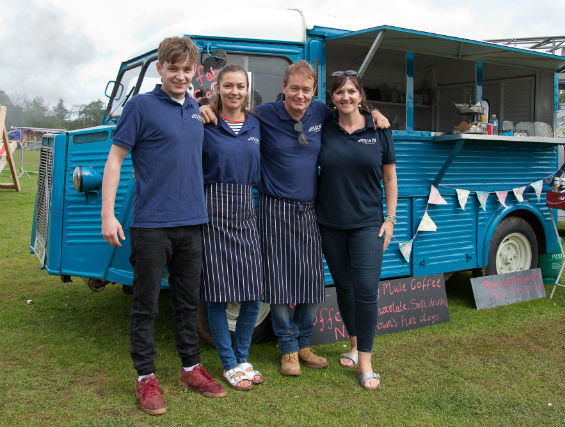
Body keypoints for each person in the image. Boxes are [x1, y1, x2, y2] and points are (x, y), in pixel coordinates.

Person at [200, 60, 389, 377]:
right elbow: (231, 112)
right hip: (274, 208)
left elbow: (351, 111)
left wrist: (374, 115)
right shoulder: (263, 115)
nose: (300, 95)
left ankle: (303, 343)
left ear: (314, 92)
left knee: (312, 286)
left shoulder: (321, 113)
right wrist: (206, 105)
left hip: (310, 209)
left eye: (306, 89)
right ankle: (288, 349)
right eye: (294, 88)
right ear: (283, 88)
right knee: (278, 286)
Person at [101, 36, 226, 416]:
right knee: (146, 305)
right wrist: (108, 214)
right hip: (151, 224)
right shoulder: (140, 107)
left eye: (187, 70)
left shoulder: (194, 107)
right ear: (160, 68)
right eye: (173, 68)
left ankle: (190, 368)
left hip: (192, 224)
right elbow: (115, 160)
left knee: (187, 303)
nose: (180, 75)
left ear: (194, 72)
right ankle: (145, 378)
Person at [315, 70, 397, 390]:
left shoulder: (379, 129)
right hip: (330, 223)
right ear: (332, 98)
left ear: (360, 95)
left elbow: (390, 179)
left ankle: (365, 362)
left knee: (365, 289)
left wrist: (390, 219)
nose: (345, 97)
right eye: (339, 92)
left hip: (367, 223)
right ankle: (352, 343)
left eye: (351, 91)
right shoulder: (324, 128)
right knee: (345, 288)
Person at [201, 64, 263, 391]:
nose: (234, 92)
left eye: (240, 86)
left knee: (253, 294)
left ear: (247, 90)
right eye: (228, 86)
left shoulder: (256, 122)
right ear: (218, 88)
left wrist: (372, 111)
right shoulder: (205, 121)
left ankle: (242, 355)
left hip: (245, 208)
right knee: (217, 295)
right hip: (213, 211)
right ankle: (228, 363)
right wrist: (198, 108)